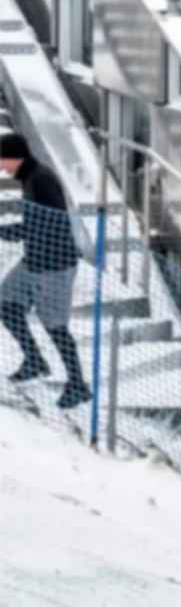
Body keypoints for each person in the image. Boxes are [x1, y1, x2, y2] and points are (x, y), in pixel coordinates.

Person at [0, 133, 89, 409]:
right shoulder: (29, 178)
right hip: (34, 260)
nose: (2, 167)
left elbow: (50, 225)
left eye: (4, 161)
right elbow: (36, 224)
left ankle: (78, 385)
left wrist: (12, 231)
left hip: (56, 265)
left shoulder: (41, 179)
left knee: (56, 327)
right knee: (6, 304)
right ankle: (35, 360)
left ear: (17, 157)